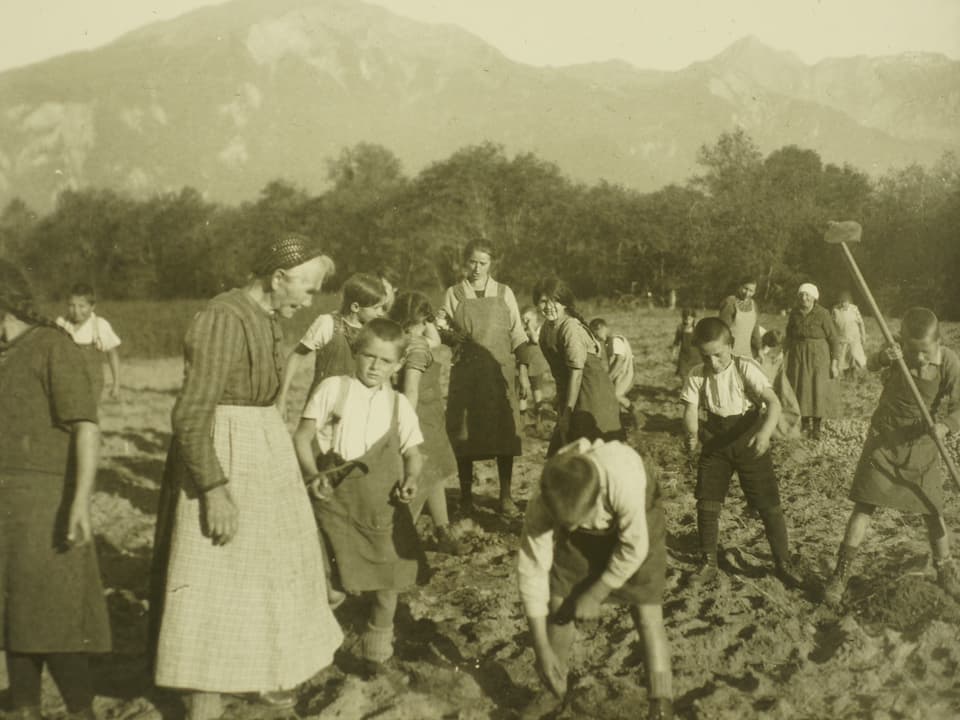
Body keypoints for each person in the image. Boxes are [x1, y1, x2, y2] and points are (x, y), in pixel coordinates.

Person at [150, 235, 342, 720]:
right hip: (224, 456)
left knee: (269, 573)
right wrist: (214, 490)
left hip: (259, 451)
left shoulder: (265, 318)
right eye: (308, 287)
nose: (310, 299)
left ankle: (267, 674)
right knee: (213, 583)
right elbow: (192, 413)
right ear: (279, 278)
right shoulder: (223, 318)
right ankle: (204, 702)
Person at [0, 261, 110, 720]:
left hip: (47, 501)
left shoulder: (52, 347)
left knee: (54, 616)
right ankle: (24, 707)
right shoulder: (5, 354)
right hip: (6, 503)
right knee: (13, 616)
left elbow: (86, 428)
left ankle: (81, 711)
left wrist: (79, 502)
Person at [294, 318, 425, 668]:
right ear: (356, 353)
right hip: (333, 504)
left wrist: (411, 478)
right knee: (331, 587)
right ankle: (305, 645)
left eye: (385, 361)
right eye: (369, 357)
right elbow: (302, 438)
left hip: (381, 509)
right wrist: (311, 475)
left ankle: (375, 655)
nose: (375, 367)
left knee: (387, 584)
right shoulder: (333, 389)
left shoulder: (399, 405)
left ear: (397, 365)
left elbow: (413, 452)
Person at [517, 438, 673, 720]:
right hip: (579, 530)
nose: (575, 527)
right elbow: (532, 569)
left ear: (597, 497)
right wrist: (540, 647)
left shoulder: (623, 479)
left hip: (637, 525)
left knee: (647, 613)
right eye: (568, 525)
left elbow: (634, 548)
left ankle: (661, 703)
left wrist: (596, 593)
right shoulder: (545, 501)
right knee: (560, 601)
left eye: (579, 521)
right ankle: (552, 689)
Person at [824, 308, 960, 606]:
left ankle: (945, 569)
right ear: (903, 341)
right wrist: (886, 357)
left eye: (925, 351)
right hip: (884, 440)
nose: (920, 358)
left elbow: (959, 406)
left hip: (923, 443)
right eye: (913, 351)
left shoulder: (948, 361)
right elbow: (871, 364)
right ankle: (840, 574)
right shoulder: (896, 353)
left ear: (938, 341)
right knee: (864, 506)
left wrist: (945, 426)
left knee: (932, 511)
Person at [681, 317, 803, 588]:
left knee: (768, 502)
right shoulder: (697, 374)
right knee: (707, 500)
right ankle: (708, 562)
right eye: (706, 356)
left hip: (748, 439)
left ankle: (783, 562)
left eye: (718, 355)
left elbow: (773, 404)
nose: (713, 362)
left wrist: (764, 433)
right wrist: (691, 434)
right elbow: (690, 411)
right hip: (715, 441)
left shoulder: (745, 368)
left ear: (730, 346)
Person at [440, 240, 526, 518]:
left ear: (492, 264)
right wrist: (451, 337)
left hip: (499, 373)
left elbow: (518, 333)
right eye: (472, 262)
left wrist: (522, 372)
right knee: (464, 435)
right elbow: (441, 325)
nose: (476, 268)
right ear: (465, 262)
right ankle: (465, 498)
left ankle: (505, 497)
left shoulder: (504, 292)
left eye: (483, 263)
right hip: (467, 375)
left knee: (504, 434)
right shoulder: (454, 293)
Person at [389, 292, 466, 555]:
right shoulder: (416, 348)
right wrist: (407, 427)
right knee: (420, 476)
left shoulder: (413, 340)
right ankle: (399, 537)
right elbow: (410, 391)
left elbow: (433, 338)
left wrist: (428, 319)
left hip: (430, 414)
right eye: (425, 319)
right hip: (418, 415)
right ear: (419, 319)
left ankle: (442, 528)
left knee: (433, 472)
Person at [535, 277, 623, 457]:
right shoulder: (545, 330)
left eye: (555, 301)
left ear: (564, 303)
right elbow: (559, 373)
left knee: (594, 451)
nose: (549, 306)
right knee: (562, 454)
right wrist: (560, 400)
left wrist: (567, 412)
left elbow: (577, 372)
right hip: (573, 390)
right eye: (543, 301)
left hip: (592, 392)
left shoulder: (570, 328)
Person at [277, 273, 387, 416]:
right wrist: (282, 397)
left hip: (357, 411)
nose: (381, 313)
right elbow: (296, 356)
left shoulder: (374, 332)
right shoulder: (327, 323)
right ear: (355, 307)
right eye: (376, 308)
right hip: (323, 407)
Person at [784, 283, 841, 440]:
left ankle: (816, 427)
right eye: (801, 295)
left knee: (817, 389)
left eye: (807, 295)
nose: (804, 298)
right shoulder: (794, 313)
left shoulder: (823, 313)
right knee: (800, 388)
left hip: (818, 357)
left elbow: (834, 339)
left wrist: (835, 362)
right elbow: (788, 335)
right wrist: (783, 354)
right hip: (798, 356)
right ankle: (803, 424)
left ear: (814, 297)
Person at [55, 283, 121, 401]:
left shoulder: (100, 325)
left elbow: (112, 354)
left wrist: (116, 383)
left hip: (91, 383)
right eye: (71, 305)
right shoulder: (61, 323)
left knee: (85, 416)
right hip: (65, 381)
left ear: (92, 306)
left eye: (82, 306)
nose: (76, 311)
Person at [757, 330, 802, 441]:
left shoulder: (779, 359)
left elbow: (783, 385)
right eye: (774, 351)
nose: (776, 353)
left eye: (778, 351)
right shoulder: (760, 357)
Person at [589, 317, 636, 414]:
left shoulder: (615, 340)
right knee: (611, 396)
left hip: (625, 373)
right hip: (620, 373)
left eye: (595, 334)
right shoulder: (609, 342)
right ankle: (619, 420)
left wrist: (609, 377)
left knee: (616, 395)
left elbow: (620, 360)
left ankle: (638, 416)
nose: (595, 337)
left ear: (600, 328)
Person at [517, 305, 550, 416]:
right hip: (524, 365)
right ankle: (522, 417)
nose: (525, 322)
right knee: (523, 392)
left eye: (528, 319)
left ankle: (539, 416)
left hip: (536, 365)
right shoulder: (523, 330)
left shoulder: (539, 328)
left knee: (537, 390)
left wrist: (530, 327)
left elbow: (535, 339)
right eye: (523, 319)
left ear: (535, 318)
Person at [718, 277, 762, 359]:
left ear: (754, 292)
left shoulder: (754, 305)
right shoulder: (730, 302)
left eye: (751, 291)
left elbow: (755, 330)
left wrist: (759, 349)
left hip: (747, 352)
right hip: (730, 351)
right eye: (745, 288)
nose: (747, 293)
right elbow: (723, 329)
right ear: (739, 286)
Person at [832, 291, 868, 379]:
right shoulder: (835, 310)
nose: (844, 304)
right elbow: (832, 325)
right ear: (839, 302)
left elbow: (861, 323)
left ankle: (856, 376)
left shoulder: (854, 309)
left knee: (855, 356)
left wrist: (863, 335)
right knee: (843, 359)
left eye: (846, 302)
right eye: (842, 302)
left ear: (850, 302)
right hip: (842, 339)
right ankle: (845, 376)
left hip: (854, 338)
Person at [672, 308, 700, 379]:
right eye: (685, 319)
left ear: (693, 318)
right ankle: (685, 387)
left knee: (695, 376)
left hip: (696, 357)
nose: (687, 321)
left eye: (689, 319)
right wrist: (673, 353)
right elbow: (676, 342)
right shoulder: (680, 329)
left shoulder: (697, 329)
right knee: (683, 374)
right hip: (684, 357)